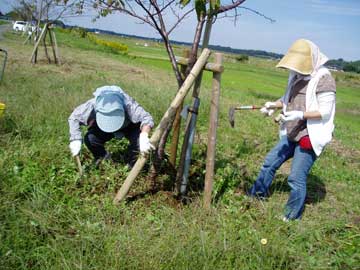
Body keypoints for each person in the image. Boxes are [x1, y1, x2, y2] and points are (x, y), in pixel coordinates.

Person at [248, 39, 336, 221]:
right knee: (269, 163)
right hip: (292, 131)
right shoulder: (296, 76)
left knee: (295, 178)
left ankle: (291, 216)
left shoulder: (324, 79)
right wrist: (274, 104)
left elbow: (325, 112)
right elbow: (287, 99)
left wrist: (300, 114)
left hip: (309, 136)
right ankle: (256, 195)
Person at [68, 85, 154, 167]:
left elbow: (146, 118)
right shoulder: (93, 104)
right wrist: (75, 139)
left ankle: (132, 164)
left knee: (138, 143)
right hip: (103, 127)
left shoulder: (128, 103)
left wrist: (144, 135)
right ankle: (102, 157)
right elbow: (74, 117)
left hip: (129, 126)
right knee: (90, 139)